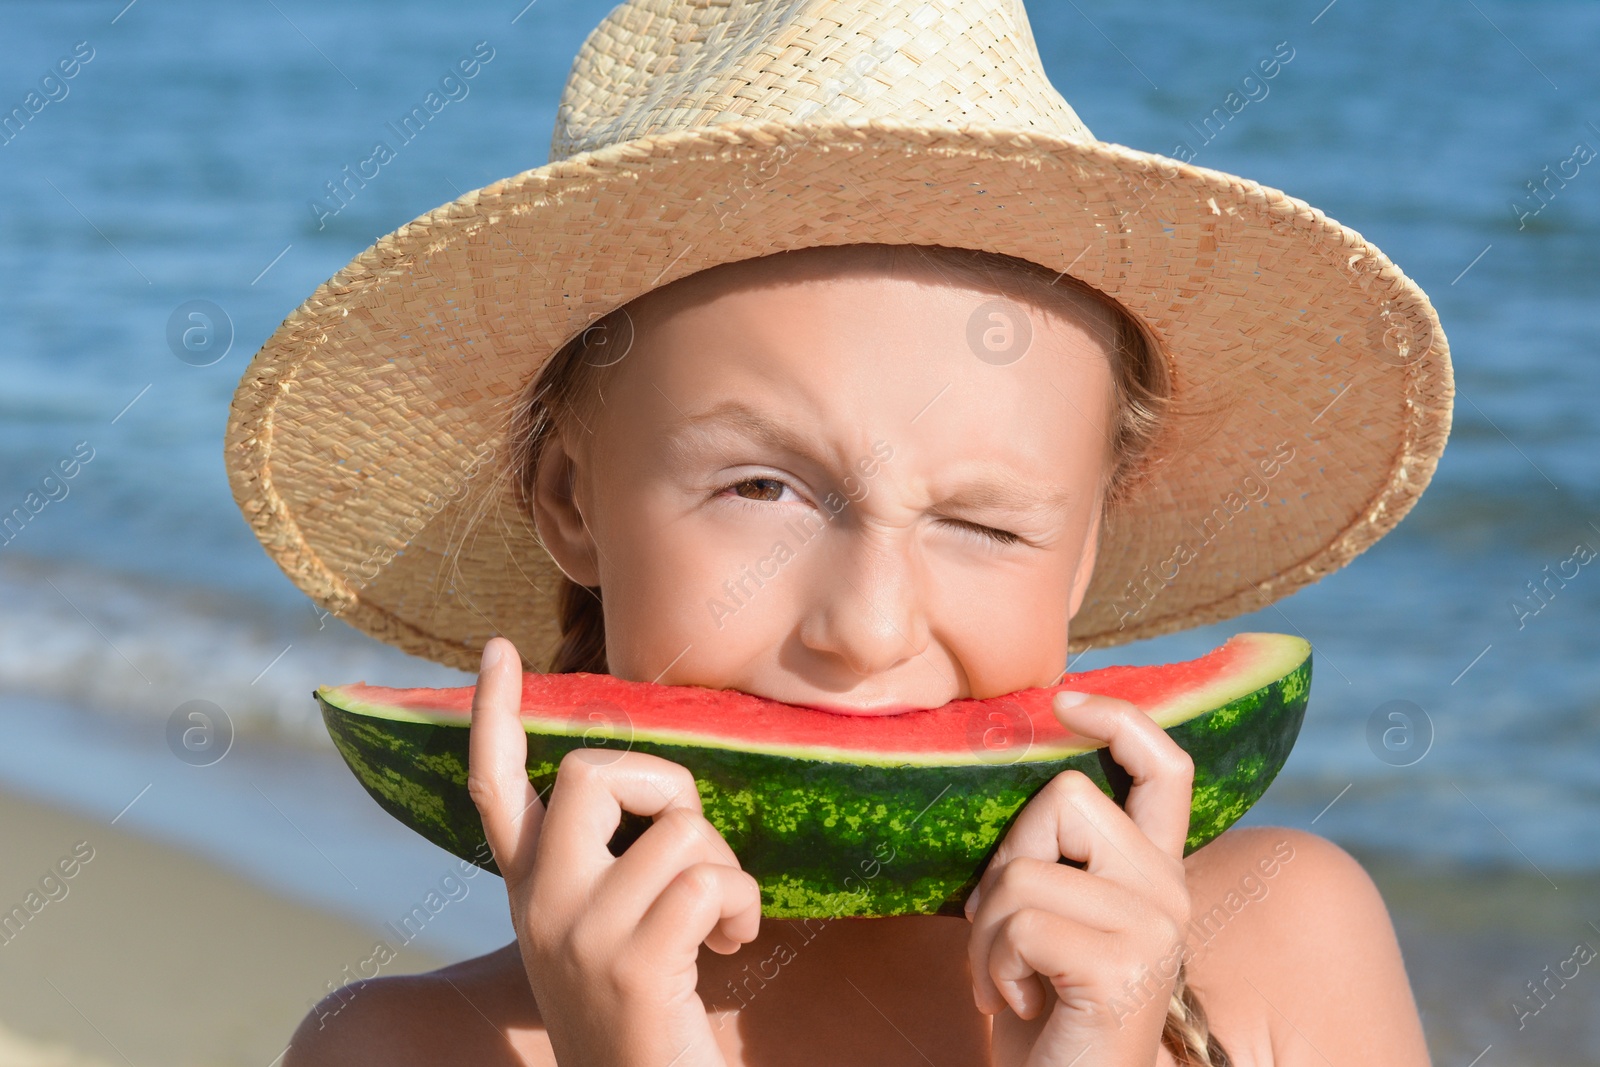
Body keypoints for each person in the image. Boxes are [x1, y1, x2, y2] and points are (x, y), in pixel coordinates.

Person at [227, 2, 1454, 1063]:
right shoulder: (411, 1053)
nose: (868, 627)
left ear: (1086, 548)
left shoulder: (1286, 945)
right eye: (763, 488)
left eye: (980, 520)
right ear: (569, 500)